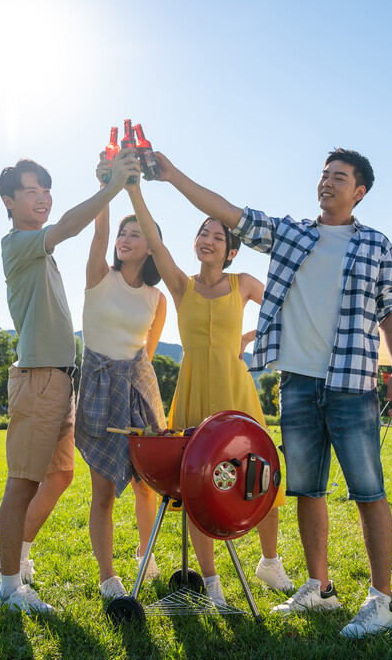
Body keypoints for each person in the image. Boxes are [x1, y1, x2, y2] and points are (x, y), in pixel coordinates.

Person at [152, 148, 392, 638]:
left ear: (360, 191)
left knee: (368, 491)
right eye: (324, 175)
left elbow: (389, 307)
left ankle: (383, 599)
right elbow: (232, 213)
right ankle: (319, 587)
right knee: (306, 490)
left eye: (340, 177)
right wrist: (171, 176)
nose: (327, 183)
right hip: (298, 382)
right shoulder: (293, 234)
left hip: (353, 383)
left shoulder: (377, 244)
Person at [126, 179, 294, 607]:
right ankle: (213, 585)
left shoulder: (244, 283)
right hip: (193, 395)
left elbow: (285, 309)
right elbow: (155, 244)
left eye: (219, 236)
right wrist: (133, 192)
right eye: (203, 232)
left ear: (231, 251)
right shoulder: (182, 287)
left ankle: (269, 562)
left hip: (237, 393)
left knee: (262, 481)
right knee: (197, 488)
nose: (209, 239)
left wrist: (250, 337)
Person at [0, 152, 138, 615]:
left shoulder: (41, 248)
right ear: (9, 201)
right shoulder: (19, 242)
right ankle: (12, 588)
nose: (42, 197)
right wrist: (114, 185)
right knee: (22, 482)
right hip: (38, 380)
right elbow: (74, 225)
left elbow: (73, 225)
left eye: (45, 190)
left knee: (58, 476)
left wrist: (106, 183)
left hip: (61, 381)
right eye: (31, 191)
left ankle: (13, 559)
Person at [75, 169, 168, 600]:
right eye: (122, 233)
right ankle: (108, 577)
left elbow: (146, 352)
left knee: (148, 482)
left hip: (138, 387)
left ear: (150, 245)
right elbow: (99, 235)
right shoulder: (99, 275)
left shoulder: (156, 298)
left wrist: (138, 393)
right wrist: (107, 186)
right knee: (105, 490)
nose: (124, 239)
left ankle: (145, 555)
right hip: (96, 385)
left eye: (136, 233)